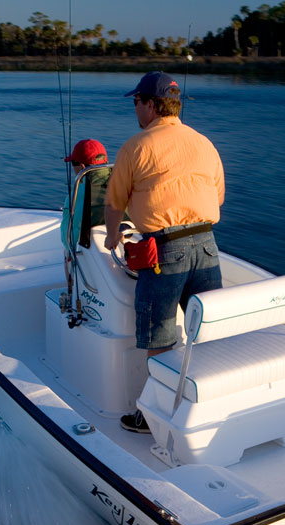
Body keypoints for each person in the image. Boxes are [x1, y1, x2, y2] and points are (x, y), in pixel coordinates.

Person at [103, 71, 225, 433]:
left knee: (160, 338)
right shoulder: (204, 143)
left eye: (137, 102)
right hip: (207, 245)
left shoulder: (136, 146)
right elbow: (217, 196)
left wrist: (112, 238)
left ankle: (152, 418)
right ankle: (210, 405)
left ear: (153, 105)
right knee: (207, 331)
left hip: (164, 250)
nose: (135, 109)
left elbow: (113, 203)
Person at [60, 139, 114, 255]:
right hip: (121, 248)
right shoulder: (125, 183)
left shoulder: (77, 194)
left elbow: (67, 239)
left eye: (73, 163)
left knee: (67, 252)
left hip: (91, 254)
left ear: (82, 166)